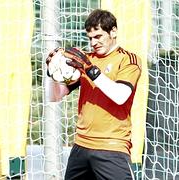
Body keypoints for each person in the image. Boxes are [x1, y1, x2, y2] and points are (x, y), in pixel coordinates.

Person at [46, 9, 142, 180]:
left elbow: (120, 96)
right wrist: (54, 73)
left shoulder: (128, 60)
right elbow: (55, 96)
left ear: (113, 31)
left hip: (112, 148)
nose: (93, 43)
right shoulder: (86, 59)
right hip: (81, 147)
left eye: (98, 36)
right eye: (90, 38)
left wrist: (90, 69)